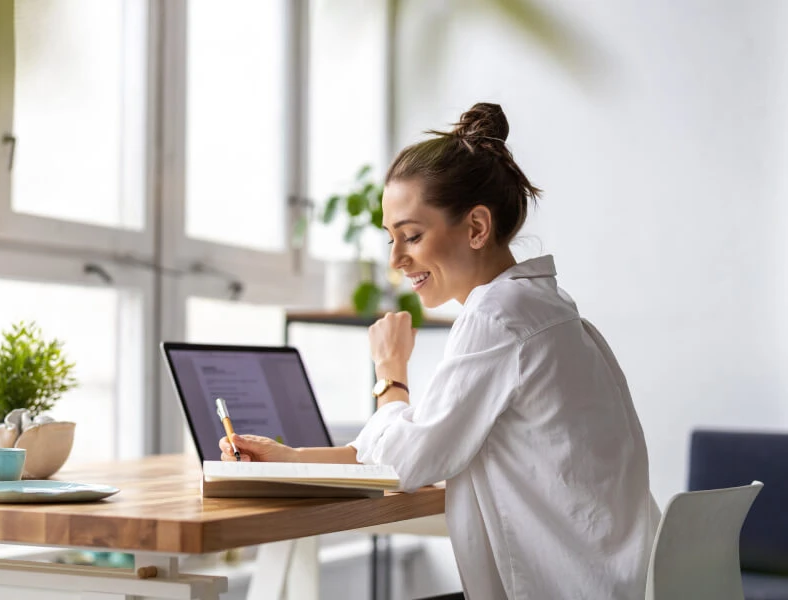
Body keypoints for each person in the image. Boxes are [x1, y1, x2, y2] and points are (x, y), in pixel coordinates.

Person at [219, 102, 660, 600]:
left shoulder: (497, 317)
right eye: (390, 238)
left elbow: (403, 464)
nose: (396, 259)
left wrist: (390, 372)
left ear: (476, 227)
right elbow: (418, 445)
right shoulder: (544, 307)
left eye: (411, 235)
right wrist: (292, 459)